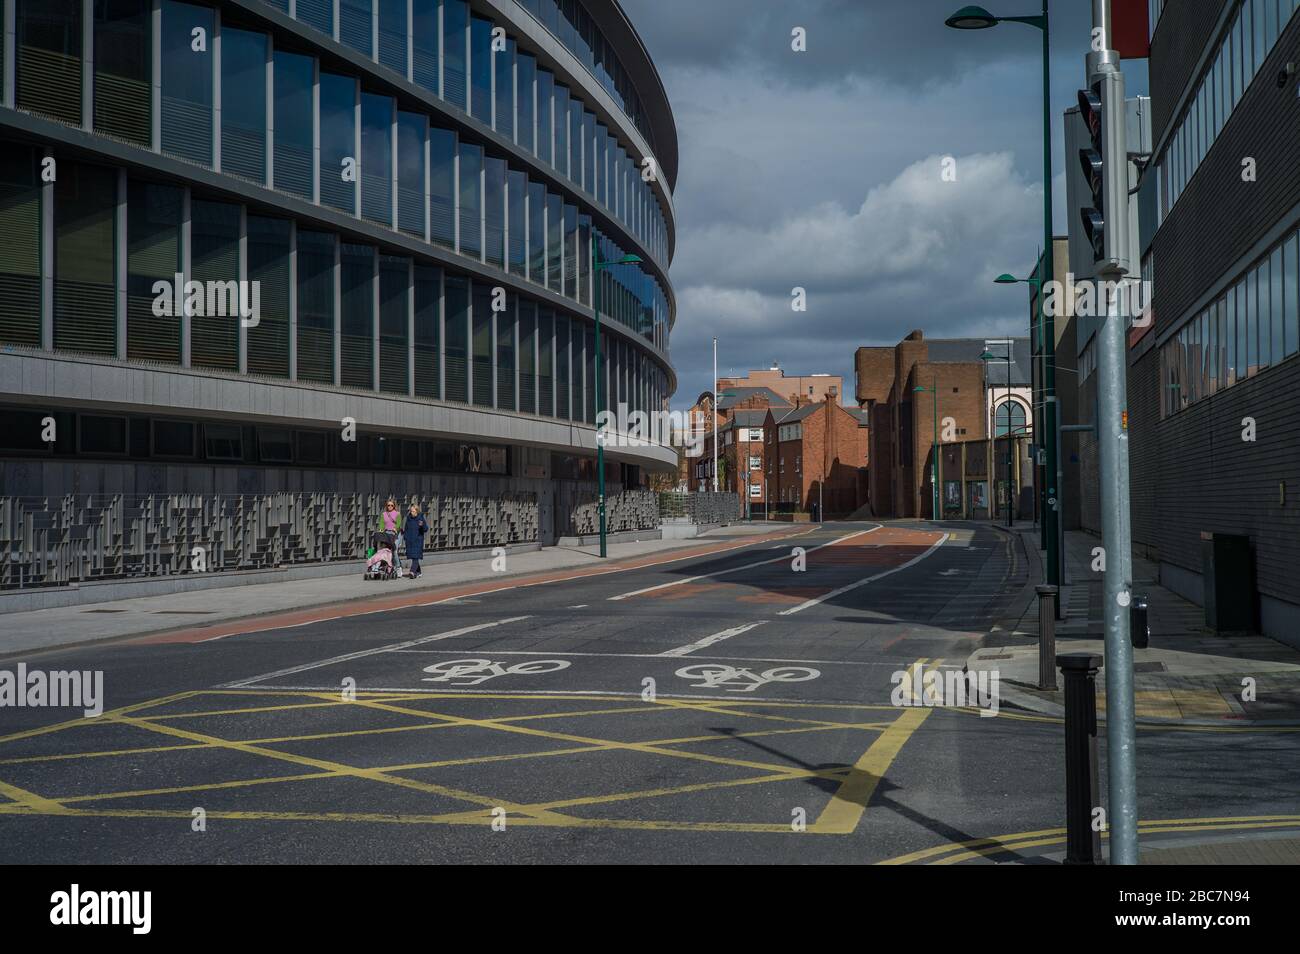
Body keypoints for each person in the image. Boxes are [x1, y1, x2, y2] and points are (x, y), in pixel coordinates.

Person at [403, 503, 429, 579]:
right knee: (413, 556)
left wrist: (422, 525)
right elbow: (406, 528)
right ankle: (419, 572)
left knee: (415, 557)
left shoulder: (420, 518)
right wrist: (406, 537)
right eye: (411, 511)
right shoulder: (408, 518)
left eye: (413, 511)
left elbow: (426, 529)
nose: (412, 513)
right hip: (410, 541)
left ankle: (412, 571)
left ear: (417, 511)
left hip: (418, 540)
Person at [376, 498, 402, 572]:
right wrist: (381, 529)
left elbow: (399, 523)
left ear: (394, 506)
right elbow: (381, 523)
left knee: (394, 551)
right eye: (388, 505)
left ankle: (398, 567)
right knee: (384, 550)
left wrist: (396, 528)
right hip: (387, 534)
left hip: (395, 535)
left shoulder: (397, 514)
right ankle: (387, 565)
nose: (390, 506)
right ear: (386, 506)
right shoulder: (383, 514)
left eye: (391, 505)